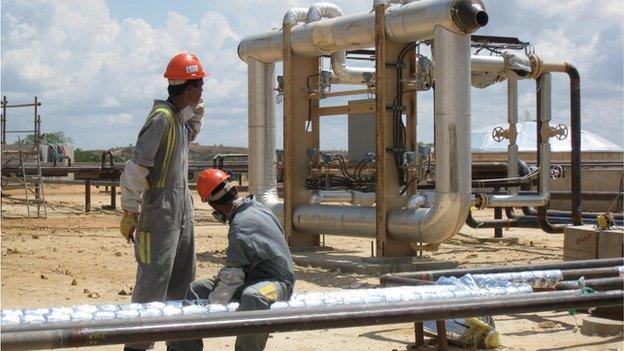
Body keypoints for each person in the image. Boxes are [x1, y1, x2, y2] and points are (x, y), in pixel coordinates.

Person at [119, 52, 207, 351]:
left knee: (184, 281)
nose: (201, 93)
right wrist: (131, 208)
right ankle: (137, 346)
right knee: (153, 282)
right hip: (160, 209)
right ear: (190, 88)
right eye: (200, 86)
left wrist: (195, 114)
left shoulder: (178, 121)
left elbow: (189, 134)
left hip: (181, 208)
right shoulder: (161, 119)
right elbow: (136, 167)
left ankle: (183, 346)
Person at [169, 168, 296, 351]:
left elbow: (233, 277)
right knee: (196, 290)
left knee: (253, 297)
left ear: (214, 206)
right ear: (234, 189)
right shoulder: (257, 207)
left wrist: (212, 305)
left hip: (277, 283)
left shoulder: (240, 227)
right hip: (253, 277)